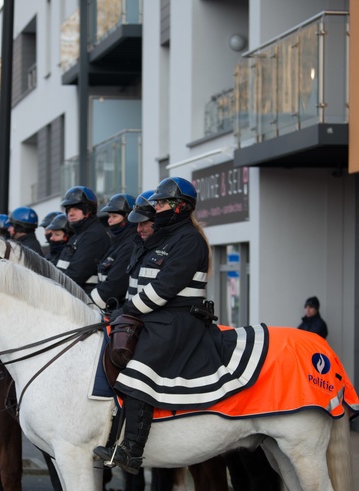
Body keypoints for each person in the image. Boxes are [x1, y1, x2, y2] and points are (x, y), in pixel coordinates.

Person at [94, 177, 256, 475]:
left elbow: (164, 288)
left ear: (180, 207)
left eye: (160, 202)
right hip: (154, 317)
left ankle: (131, 450)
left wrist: (126, 312)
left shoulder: (189, 240)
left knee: (138, 367)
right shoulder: (165, 237)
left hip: (177, 320)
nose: (155, 207)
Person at [56, 185, 112, 293]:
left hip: (82, 301)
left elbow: (75, 274)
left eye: (76, 209)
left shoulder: (94, 235)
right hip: (69, 296)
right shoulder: (78, 234)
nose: (71, 213)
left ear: (88, 210)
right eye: (68, 210)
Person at [89, 193, 137, 311]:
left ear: (129, 217)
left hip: (113, 309)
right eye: (109, 216)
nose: (109, 221)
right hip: (106, 307)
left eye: (114, 216)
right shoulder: (118, 243)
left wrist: (89, 304)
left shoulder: (130, 245)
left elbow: (115, 285)